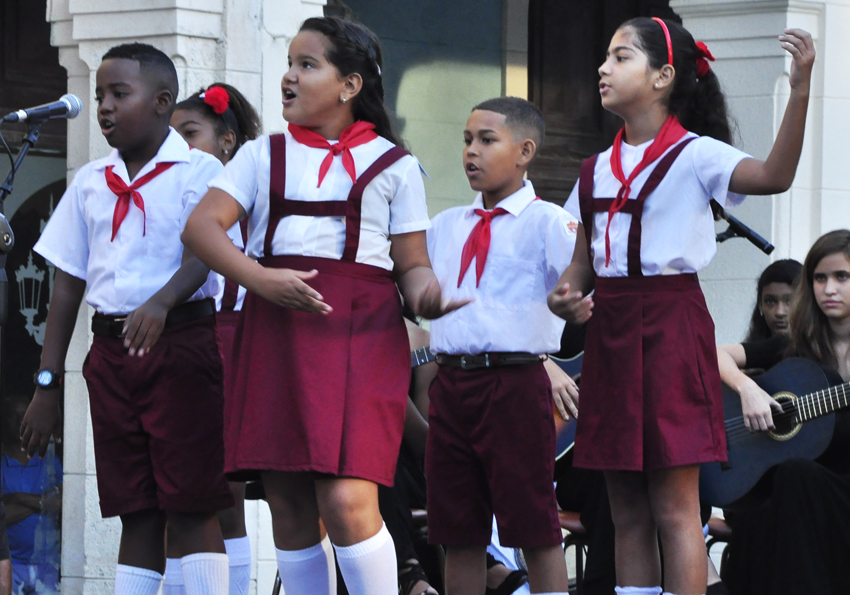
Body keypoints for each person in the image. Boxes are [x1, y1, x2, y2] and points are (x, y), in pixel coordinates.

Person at [182, 17, 465, 595]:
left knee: (346, 497)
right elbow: (201, 228)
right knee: (287, 500)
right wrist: (260, 280)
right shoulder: (262, 155)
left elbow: (412, 266)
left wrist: (432, 297)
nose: (289, 76)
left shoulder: (395, 164)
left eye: (307, 65)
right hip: (275, 329)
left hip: (361, 337)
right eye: (289, 63)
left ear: (349, 85)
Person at [548, 15, 815, 595]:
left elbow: (775, 176)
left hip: (670, 327)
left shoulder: (697, 155)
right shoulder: (593, 168)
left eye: (620, 57)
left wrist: (798, 93)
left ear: (663, 76)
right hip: (611, 330)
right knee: (626, 509)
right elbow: (579, 265)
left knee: (675, 507)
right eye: (606, 56)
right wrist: (565, 297)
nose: (603, 67)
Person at [18, 43, 232, 595]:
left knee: (190, 505)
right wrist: (47, 383)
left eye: (119, 94)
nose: (104, 107)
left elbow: (208, 251)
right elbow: (67, 284)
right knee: (135, 510)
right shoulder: (91, 181)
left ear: (162, 102)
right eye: (99, 96)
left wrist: (162, 301)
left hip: (180, 345)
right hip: (110, 355)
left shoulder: (200, 170)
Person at [425, 96, 579, 595]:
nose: (471, 151)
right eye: (467, 140)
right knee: (458, 531)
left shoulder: (549, 223)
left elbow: (582, 296)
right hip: (451, 383)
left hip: (514, 384)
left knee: (534, 525)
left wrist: (556, 347)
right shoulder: (444, 226)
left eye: (487, 140)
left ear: (525, 151)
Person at [165, 84, 262, 595]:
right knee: (175, 496)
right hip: (180, 344)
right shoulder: (172, 194)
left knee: (223, 498)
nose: (178, 146)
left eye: (190, 134)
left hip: (233, 345)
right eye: (171, 136)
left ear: (227, 141)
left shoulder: (248, 200)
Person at [716, 229, 850, 595]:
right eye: (820, 278)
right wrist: (747, 390)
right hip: (801, 490)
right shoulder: (795, 346)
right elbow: (712, 354)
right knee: (785, 484)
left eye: (842, 277)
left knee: (793, 480)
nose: (829, 289)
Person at [1, 395, 62, 595]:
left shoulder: (48, 459)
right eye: (14, 416)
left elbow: (64, 503)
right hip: (10, 565)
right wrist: (44, 503)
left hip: (48, 565)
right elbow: (2, 517)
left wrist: (16, 498)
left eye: (24, 415)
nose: (20, 421)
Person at [743, 259, 802, 342]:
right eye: (770, 301)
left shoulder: (820, 348)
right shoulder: (745, 349)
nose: (780, 312)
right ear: (760, 304)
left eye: (790, 301)